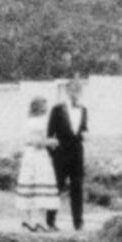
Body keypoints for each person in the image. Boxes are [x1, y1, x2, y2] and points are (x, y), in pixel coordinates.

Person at [42, 81, 88, 231]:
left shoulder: (84, 109)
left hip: (77, 154)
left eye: (78, 90)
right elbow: (49, 134)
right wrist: (54, 154)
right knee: (57, 187)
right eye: (73, 90)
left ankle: (78, 222)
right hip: (61, 155)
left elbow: (84, 129)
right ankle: (50, 220)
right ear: (67, 92)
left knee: (77, 188)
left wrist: (84, 135)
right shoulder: (57, 109)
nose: (75, 93)